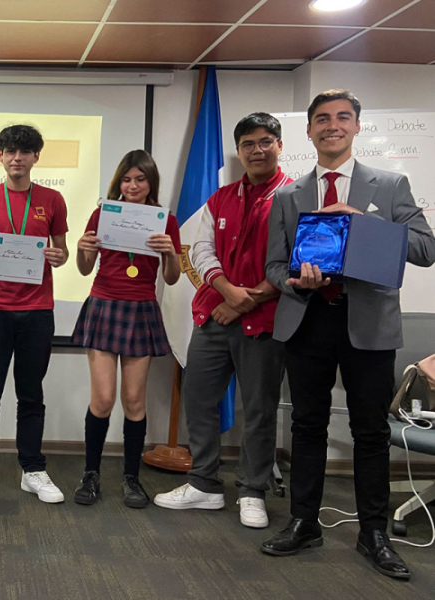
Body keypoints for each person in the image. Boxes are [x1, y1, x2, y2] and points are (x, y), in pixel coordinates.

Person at [262, 90, 435, 579]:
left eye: (342, 117)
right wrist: (292, 280)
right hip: (307, 318)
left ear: (357, 126)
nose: (331, 125)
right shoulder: (288, 195)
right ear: (310, 131)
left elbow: (426, 248)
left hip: (368, 323)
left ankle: (374, 534)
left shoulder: (391, 184)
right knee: (307, 427)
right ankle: (303, 522)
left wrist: (370, 227)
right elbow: (274, 265)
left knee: (371, 432)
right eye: (321, 119)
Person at [154, 113, 291, 529]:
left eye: (265, 141)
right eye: (248, 144)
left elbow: (297, 259)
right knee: (198, 400)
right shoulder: (221, 197)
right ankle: (205, 485)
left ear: (279, 145)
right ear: (238, 151)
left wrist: (245, 300)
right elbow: (201, 251)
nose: (257, 150)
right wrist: (228, 291)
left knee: (259, 408)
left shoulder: (297, 196)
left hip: (264, 321)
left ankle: (252, 490)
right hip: (214, 315)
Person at [0, 124, 69, 504]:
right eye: (8, 151)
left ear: (36, 157)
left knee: (31, 395)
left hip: (37, 310)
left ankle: (32, 469)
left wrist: (59, 256)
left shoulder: (52, 200)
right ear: (0, 155)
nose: (16, 157)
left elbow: (62, 251)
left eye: (24, 152)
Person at [71, 150, 180, 508]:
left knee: (133, 400)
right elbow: (86, 269)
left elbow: (172, 277)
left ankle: (131, 477)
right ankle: (91, 474)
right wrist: (82, 249)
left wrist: (170, 254)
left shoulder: (167, 221)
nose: (133, 186)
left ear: (151, 182)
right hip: (104, 304)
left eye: (140, 179)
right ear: (119, 182)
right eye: (127, 179)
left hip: (141, 308)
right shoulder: (104, 213)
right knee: (102, 399)